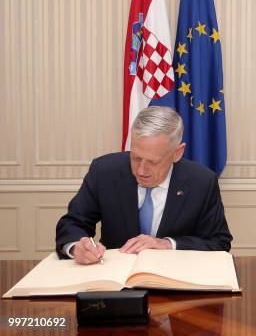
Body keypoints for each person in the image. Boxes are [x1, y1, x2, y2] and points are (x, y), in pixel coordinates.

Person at [56, 106, 233, 264]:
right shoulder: (104, 172)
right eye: (136, 158)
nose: (141, 170)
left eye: (153, 162)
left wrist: (167, 244)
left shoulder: (201, 182)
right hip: (115, 283)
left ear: (177, 153)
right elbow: (72, 223)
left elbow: (219, 242)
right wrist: (76, 247)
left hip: (176, 284)